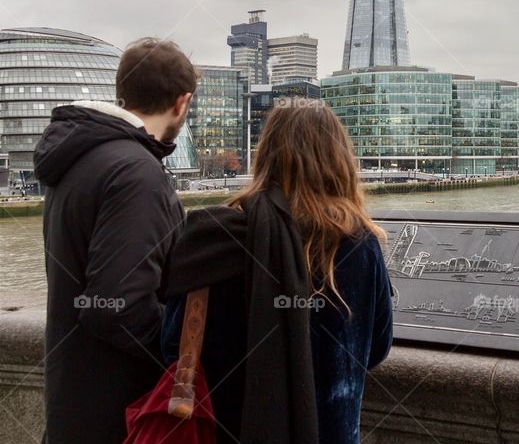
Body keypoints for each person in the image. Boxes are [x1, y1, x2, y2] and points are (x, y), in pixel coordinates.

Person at [161, 100, 393, 443]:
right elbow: (377, 347)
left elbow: (172, 346)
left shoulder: (216, 238)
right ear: (340, 160)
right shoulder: (359, 245)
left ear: (266, 155)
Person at [35, 38, 196, 443]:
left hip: (75, 400)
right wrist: (180, 354)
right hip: (120, 413)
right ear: (182, 102)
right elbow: (116, 307)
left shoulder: (82, 157)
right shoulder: (135, 173)